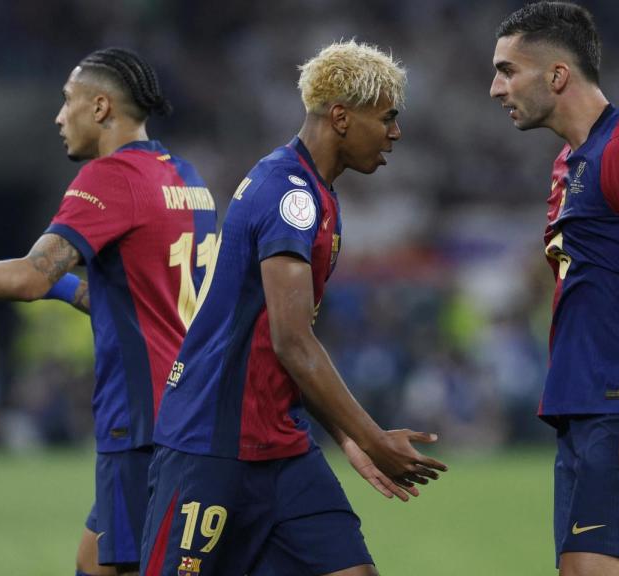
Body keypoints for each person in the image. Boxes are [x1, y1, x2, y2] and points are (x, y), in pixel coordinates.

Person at [0, 47, 217, 576]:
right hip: (189, 409)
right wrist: (62, 286)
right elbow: (141, 301)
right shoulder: (186, 178)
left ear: (101, 107)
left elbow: (28, 278)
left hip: (142, 424)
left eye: (67, 101)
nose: (59, 116)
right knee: (93, 563)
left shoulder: (111, 178)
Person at [141, 40, 448, 576]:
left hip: (280, 444)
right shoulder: (290, 197)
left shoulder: (313, 193)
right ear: (341, 118)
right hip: (213, 443)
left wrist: (346, 438)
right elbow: (292, 340)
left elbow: (285, 345)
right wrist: (371, 438)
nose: (395, 133)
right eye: (387, 118)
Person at [490, 3, 619, 575]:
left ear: (557, 76)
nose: (495, 88)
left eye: (508, 70)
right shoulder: (569, 163)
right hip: (584, 410)